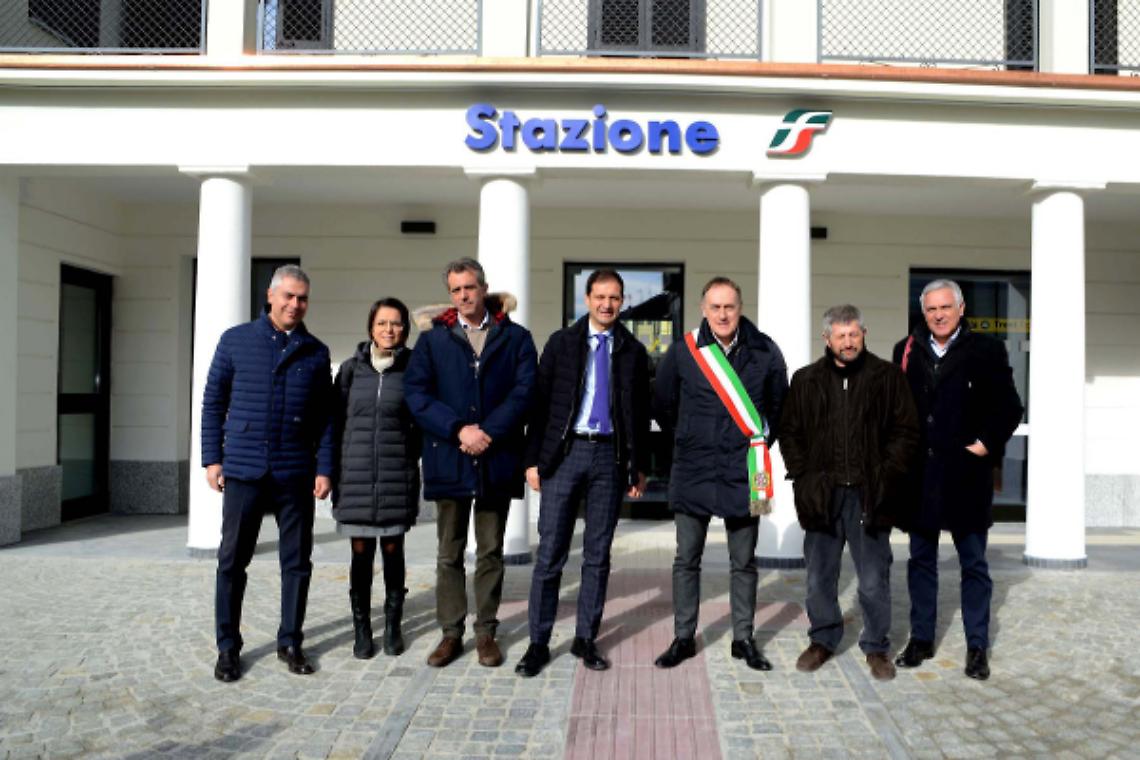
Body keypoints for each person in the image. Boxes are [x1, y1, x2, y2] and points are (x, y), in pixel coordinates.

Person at [514, 269, 651, 678]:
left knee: (597, 555)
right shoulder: (561, 343)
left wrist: (638, 465)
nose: (607, 304)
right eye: (600, 297)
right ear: (587, 299)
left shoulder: (632, 350)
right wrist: (532, 460)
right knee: (551, 552)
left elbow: (639, 416)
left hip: (609, 458)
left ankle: (585, 638)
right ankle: (538, 642)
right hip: (565, 453)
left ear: (622, 302)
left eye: (615, 298)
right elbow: (539, 406)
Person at [203, 264, 335, 682]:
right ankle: (228, 648)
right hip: (243, 469)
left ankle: (290, 641)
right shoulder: (235, 340)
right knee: (232, 562)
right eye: (289, 296)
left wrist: (325, 468)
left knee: (297, 563)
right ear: (270, 296)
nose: (295, 305)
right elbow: (212, 402)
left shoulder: (315, 351)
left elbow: (326, 419)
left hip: (295, 472)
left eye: (303, 298)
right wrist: (212, 458)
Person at [404, 257, 537, 668]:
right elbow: (417, 395)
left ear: (483, 288)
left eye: (470, 287)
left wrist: (488, 432)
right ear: (450, 294)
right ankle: (450, 633)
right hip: (450, 456)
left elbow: (525, 391)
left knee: (491, 551)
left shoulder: (515, 337)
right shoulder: (433, 340)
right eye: (456, 290)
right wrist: (459, 429)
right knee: (449, 552)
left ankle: (486, 632)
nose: (463, 295)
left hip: (496, 458)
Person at [652, 276, 788, 671]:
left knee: (744, 561)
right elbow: (663, 404)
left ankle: (743, 639)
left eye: (729, 306)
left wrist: (757, 445)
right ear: (703, 309)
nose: (723, 314)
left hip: (748, 469)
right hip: (693, 468)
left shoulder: (765, 350)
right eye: (715, 307)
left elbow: (780, 406)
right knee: (686, 559)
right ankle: (683, 638)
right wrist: (691, 438)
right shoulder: (683, 352)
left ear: (740, 308)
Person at [892, 279, 1023, 680]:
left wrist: (983, 445)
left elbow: (1009, 408)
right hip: (921, 477)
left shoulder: (986, 349)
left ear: (961, 308)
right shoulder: (906, 350)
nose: (939, 315)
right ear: (923, 311)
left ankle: (977, 646)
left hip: (966, 475)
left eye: (945, 307)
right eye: (931, 309)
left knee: (974, 565)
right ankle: (921, 639)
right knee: (920, 561)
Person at [779, 305, 919, 681]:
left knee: (873, 578)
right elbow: (789, 432)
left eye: (853, 334)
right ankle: (823, 639)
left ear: (864, 334)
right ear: (827, 339)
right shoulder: (806, 380)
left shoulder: (887, 377)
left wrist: (887, 474)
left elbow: (906, 431)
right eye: (840, 336)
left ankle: (876, 646)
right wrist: (804, 476)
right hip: (822, 495)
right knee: (819, 577)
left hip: (869, 495)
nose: (847, 342)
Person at [333, 297, 420, 660]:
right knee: (360, 553)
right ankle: (362, 628)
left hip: (395, 476)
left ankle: (394, 626)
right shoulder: (352, 371)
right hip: (354, 477)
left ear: (405, 329)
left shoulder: (414, 370)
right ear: (371, 326)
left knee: (392, 550)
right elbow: (335, 423)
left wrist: (406, 458)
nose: (389, 330)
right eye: (382, 323)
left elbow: (419, 423)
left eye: (396, 323)